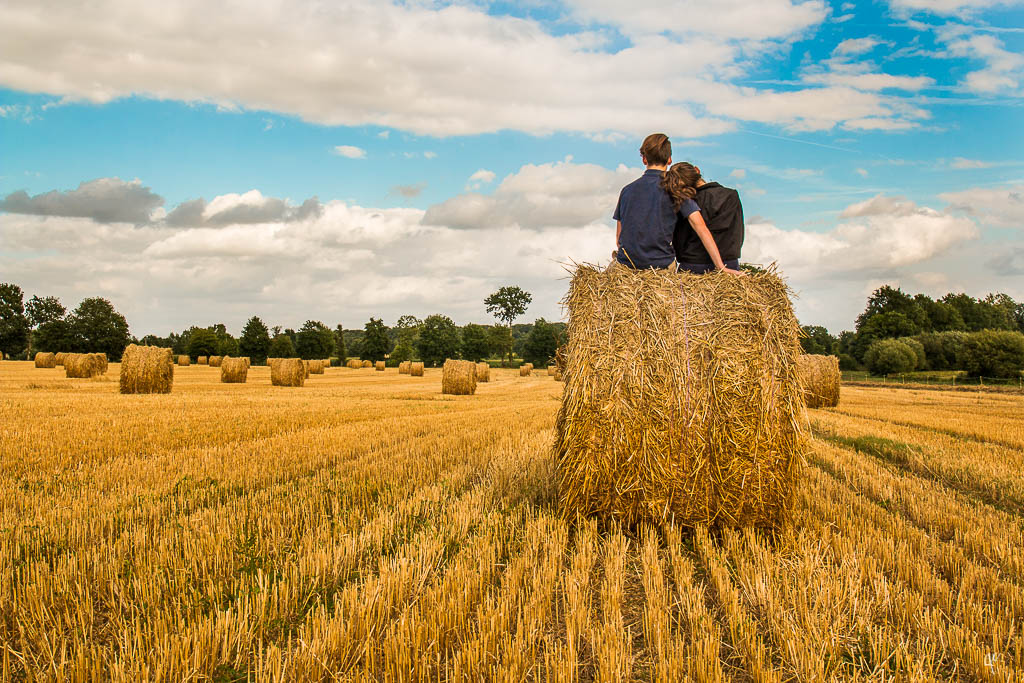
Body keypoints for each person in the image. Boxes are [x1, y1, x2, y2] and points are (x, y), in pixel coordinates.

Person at [664, 162, 744, 274]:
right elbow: (737, 233)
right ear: (697, 170)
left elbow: (678, 237)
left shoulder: (682, 201)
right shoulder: (732, 196)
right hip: (729, 264)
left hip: (692, 266)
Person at [612, 133, 677, 270]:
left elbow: (619, 238)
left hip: (627, 265)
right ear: (669, 159)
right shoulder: (675, 190)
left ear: (644, 159)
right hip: (662, 265)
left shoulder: (626, 191)